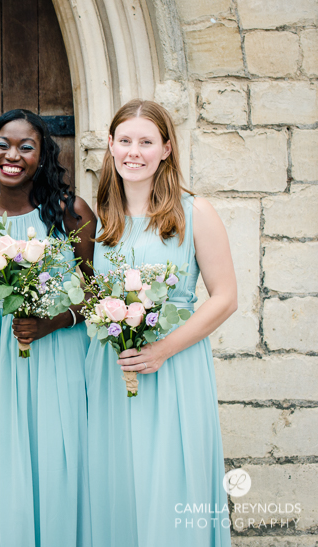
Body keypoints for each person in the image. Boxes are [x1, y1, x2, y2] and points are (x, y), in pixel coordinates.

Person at [86, 99, 236, 547]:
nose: (135, 152)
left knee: (169, 479)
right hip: (111, 369)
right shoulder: (102, 220)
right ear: (110, 146)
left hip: (173, 367)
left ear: (166, 149)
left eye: (146, 142)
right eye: (126, 141)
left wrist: (162, 350)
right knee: (116, 484)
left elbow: (225, 298)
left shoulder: (195, 213)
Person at [0, 109, 95, 546]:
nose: (12, 155)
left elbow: (99, 296)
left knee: (58, 460)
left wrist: (54, 321)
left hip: (58, 353)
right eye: (3, 144)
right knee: (1, 464)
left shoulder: (69, 213)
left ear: (43, 155)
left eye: (26, 146)